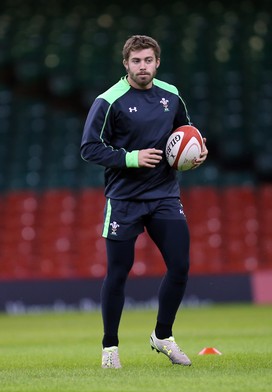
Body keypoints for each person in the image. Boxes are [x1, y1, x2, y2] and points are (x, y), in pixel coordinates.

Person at [80, 34, 208, 369]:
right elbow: (89, 148)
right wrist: (132, 158)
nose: (143, 67)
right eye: (136, 61)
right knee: (119, 273)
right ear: (126, 64)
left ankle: (162, 336)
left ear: (157, 62)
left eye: (148, 60)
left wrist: (197, 153)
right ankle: (110, 348)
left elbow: (185, 132)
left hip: (165, 195)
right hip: (124, 199)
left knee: (180, 266)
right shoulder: (109, 100)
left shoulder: (171, 94)